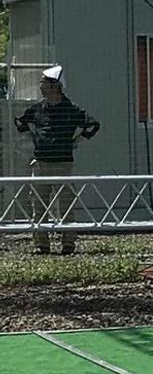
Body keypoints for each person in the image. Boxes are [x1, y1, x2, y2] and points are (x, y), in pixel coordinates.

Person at [14, 65, 100, 255]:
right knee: (39, 205)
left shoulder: (71, 109)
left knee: (66, 204)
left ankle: (68, 243)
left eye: (44, 82)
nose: (41, 86)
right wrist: (31, 143)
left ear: (55, 86)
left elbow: (93, 125)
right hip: (40, 164)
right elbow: (20, 121)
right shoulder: (37, 109)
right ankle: (41, 244)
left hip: (63, 164)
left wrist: (76, 142)